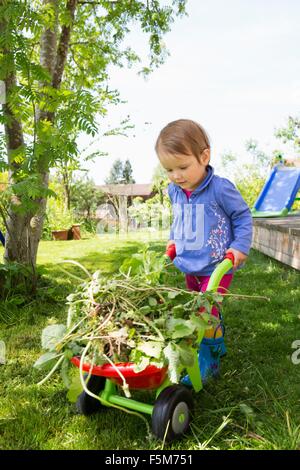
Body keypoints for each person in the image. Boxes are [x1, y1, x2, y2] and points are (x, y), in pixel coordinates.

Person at [155, 119, 253, 385]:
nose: (176, 175)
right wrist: (174, 240)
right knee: (194, 310)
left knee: (206, 312)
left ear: (204, 156)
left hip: (217, 265)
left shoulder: (220, 188)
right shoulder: (175, 190)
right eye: (169, 170)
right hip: (190, 264)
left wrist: (239, 247)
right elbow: (180, 219)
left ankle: (209, 358)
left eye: (183, 167)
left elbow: (243, 216)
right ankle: (214, 342)